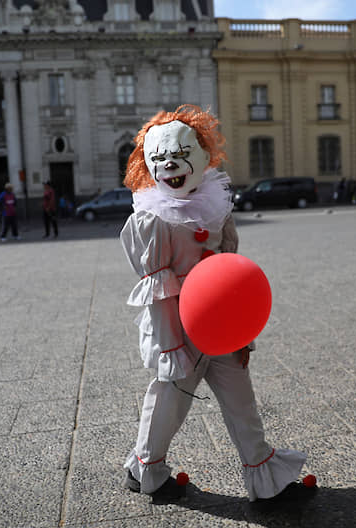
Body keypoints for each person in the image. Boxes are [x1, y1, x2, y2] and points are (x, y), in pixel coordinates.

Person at [119, 105, 308, 502]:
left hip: (221, 328)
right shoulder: (152, 221)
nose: (170, 163)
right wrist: (171, 347)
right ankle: (145, 470)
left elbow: (228, 271)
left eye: (181, 154)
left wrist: (241, 336)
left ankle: (267, 483)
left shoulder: (217, 206)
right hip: (180, 331)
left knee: (242, 402)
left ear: (203, 156)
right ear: (148, 165)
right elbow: (157, 289)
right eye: (158, 157)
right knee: (168, 404)